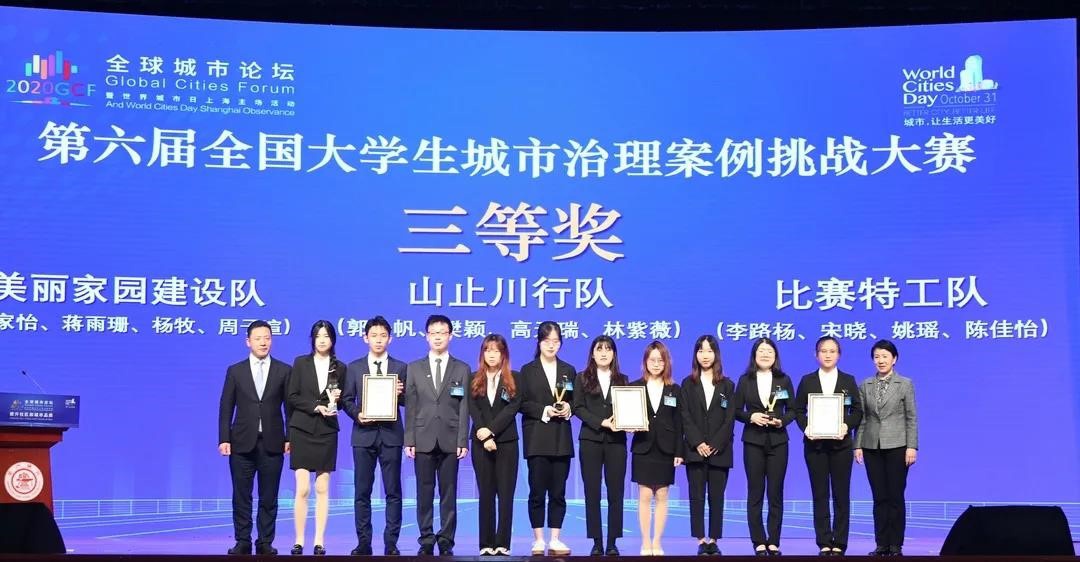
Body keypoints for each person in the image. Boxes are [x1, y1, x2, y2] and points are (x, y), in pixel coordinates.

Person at [218, 320, 292, 556]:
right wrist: (224, 438)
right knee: (241, 495)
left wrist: (289, 437)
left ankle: (265, 541)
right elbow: (226, 407)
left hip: (273, 442)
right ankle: (242, 540)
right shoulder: (235, 371)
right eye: (258, 338)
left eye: (267, 338)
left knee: (269, 496)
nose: (263, 342)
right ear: (248, 342)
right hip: (241, 442)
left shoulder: (284, 370)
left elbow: (289, 408)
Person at [404, 314, 470, 556]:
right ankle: (426, 538)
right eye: (433, 333)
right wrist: (409, 439)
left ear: (450, 336)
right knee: (424, 492)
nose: (438, 337)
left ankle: (446, 540)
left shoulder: (461, 368)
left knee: (448, 492)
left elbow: (464, 407)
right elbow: (411, 407)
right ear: (426, 336)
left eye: (442, 333)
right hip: (422, 438)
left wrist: (462, 440)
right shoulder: (414, 368)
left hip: (450, 439)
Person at [342, 316, 407, 556]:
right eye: (374, 336)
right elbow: (346, 399)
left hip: (391, 435)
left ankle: (391, 543)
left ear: (390, 339)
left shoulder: (401, 367)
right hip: (363, 435)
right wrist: (357, 415)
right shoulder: (354, 367)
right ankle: (363, 542)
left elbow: (408, 401)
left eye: (383, 336)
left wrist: (400, 394)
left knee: (393, 492)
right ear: (365, 338)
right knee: (362, 492)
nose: (378, 340)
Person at [793, 336, 863, 556]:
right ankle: (824, 541)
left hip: (841, 445)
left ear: (839, 355)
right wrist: (806, 427)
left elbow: (858, 410)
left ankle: (840, 542)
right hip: (815, 447)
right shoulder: (807, 381)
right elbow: (797, 410)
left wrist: (846, 425)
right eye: (823, 351)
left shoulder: (848, 380)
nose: (828, 355)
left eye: (832, 351)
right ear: (816, 355)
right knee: (820, 494)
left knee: (841, 495)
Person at [286, 320, 346, 556]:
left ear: (333, 340)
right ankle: (299, 540)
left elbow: (341, 402)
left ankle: (319, 541)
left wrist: (337, 400)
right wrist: (315, 406)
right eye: (318, 336)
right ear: (312, 339)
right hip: (301, 429)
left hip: (326, 430)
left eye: (326, 336)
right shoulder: (301, 363)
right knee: (302, 489)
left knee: (322, 487)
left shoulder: (340, 367)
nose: (322, 340)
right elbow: (292, 396)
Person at [732, 337, 795, 556]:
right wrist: (751, 416)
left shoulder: (784, 379)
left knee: (775, 492)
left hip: (778, 442)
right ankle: (758, 540)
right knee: (755, 491)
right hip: (753, 441)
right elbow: (736, 410)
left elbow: (793, 410)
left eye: (769, 351)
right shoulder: (745, 380)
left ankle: (774, 540)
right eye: (761, 350)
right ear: (754, 355)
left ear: (775, 356)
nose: (765, 354)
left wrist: (781, 421)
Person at [854, 340, 918, 557]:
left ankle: (896, 545)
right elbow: (862, 418)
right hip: (871, 446)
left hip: (898, 446)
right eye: (877, 357)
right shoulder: (865, 385)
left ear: (894, 359)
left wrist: (912, 446)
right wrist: (857, 445)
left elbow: (911, 417)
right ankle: (881, 544)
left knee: (895, 496)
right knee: (879, 497)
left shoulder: (905, 384)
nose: (880, 360)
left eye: (885, 356)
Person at [519, 321, 576, 556]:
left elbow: (575, 400)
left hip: (561, 438)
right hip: (537, 438)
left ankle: (555, 538)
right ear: (539, 342)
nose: (551, 346)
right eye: (547, 341)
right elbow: (521, 403)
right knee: (537, 492)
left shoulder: (568, 370)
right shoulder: (527, 370)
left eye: (556, 341)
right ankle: (538, 539)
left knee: (558, 493)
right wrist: (544, 410)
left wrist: (569, 408)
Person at [572, 335, 629, 556]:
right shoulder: (582, 378)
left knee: (616, 493)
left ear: (614, 354)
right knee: (592, 492)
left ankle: (612, 542)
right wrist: (601, 422)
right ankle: (596, 542)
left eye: (608, 349)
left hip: (616, 442)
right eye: (599, 349)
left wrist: (631, 422)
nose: (604, 353)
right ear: (592, 354)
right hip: (591, 440)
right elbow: (578, 408)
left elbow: (629, 409)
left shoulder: (623, 380)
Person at [467, 334, 523, 556]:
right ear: (482, 353)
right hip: (480, 443)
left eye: (496, 350)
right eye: (488, 350)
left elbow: (512, 408)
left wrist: (490, 431)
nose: (492, 355)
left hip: (507, 442)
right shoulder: (473, 378)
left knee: (506, 494)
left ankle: (503, 543)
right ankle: (485, 543)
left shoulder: (515, 378)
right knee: (486, 493)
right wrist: (483, 433)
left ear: (503, 354)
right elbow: (473, 408)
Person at [680, 335, 735, 556]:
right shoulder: (687, 383)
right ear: (695, 354)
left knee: (716, 498)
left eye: (709, 351)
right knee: (696, 497)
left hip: (720, 451)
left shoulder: (727, 385)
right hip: (695, 451)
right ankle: (701, 540)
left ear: (716, 354)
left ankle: (714, 539)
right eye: (701, 351)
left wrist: (715, 444)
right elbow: (685, 415)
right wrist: (698, 442)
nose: (705, 355)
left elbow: (729, 419)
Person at [631, 340, 684, 556]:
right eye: (652, 360)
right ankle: (645, 541)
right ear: (645, 362)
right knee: (644, 495)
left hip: (666, 448)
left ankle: (657, 541)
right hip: (643, 446)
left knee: (662, 495)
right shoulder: (634, 387)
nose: (656, 364)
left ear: (666, 363)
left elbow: (679, 423)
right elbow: (627, 415)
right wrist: (629, 425)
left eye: (660, 360)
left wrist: (679, 451)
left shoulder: (674, 389)